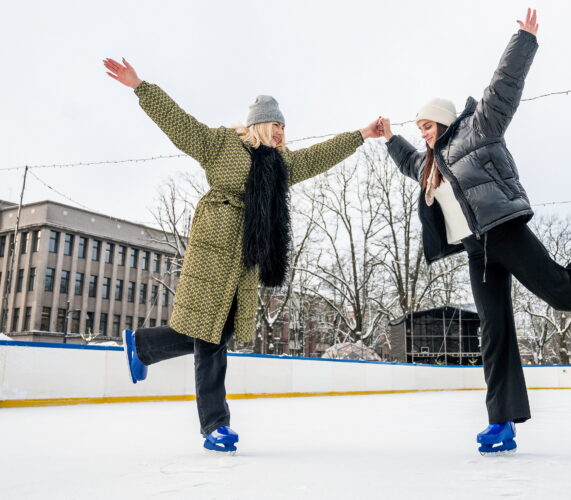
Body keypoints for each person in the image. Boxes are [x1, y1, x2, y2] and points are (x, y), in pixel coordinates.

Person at [377, 8, 571, 456]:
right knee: (494, 332)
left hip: (503, 231)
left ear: (443, 121)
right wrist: (389, 138)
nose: (421, 133)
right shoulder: (430, 165)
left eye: (425, 125)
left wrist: (523, 40)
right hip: (477, 251)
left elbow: (503, 88)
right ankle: (500, 422)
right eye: (418, 128)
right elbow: (409, 162)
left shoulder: (477, 131)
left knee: (564, 294)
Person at [103, 57, 383, 454]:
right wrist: (140, 87)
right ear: (259, 125)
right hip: (214, 249)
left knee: (215, 332)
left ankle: (144, 347)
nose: (281, 132)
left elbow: (319, 155)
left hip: (246, 257)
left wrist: (361, 135)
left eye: (284, 126)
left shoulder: (282, 164)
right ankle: (215, 425)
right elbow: (179, 124)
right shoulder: (220, 144)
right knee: (211, 338)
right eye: (275, 125)